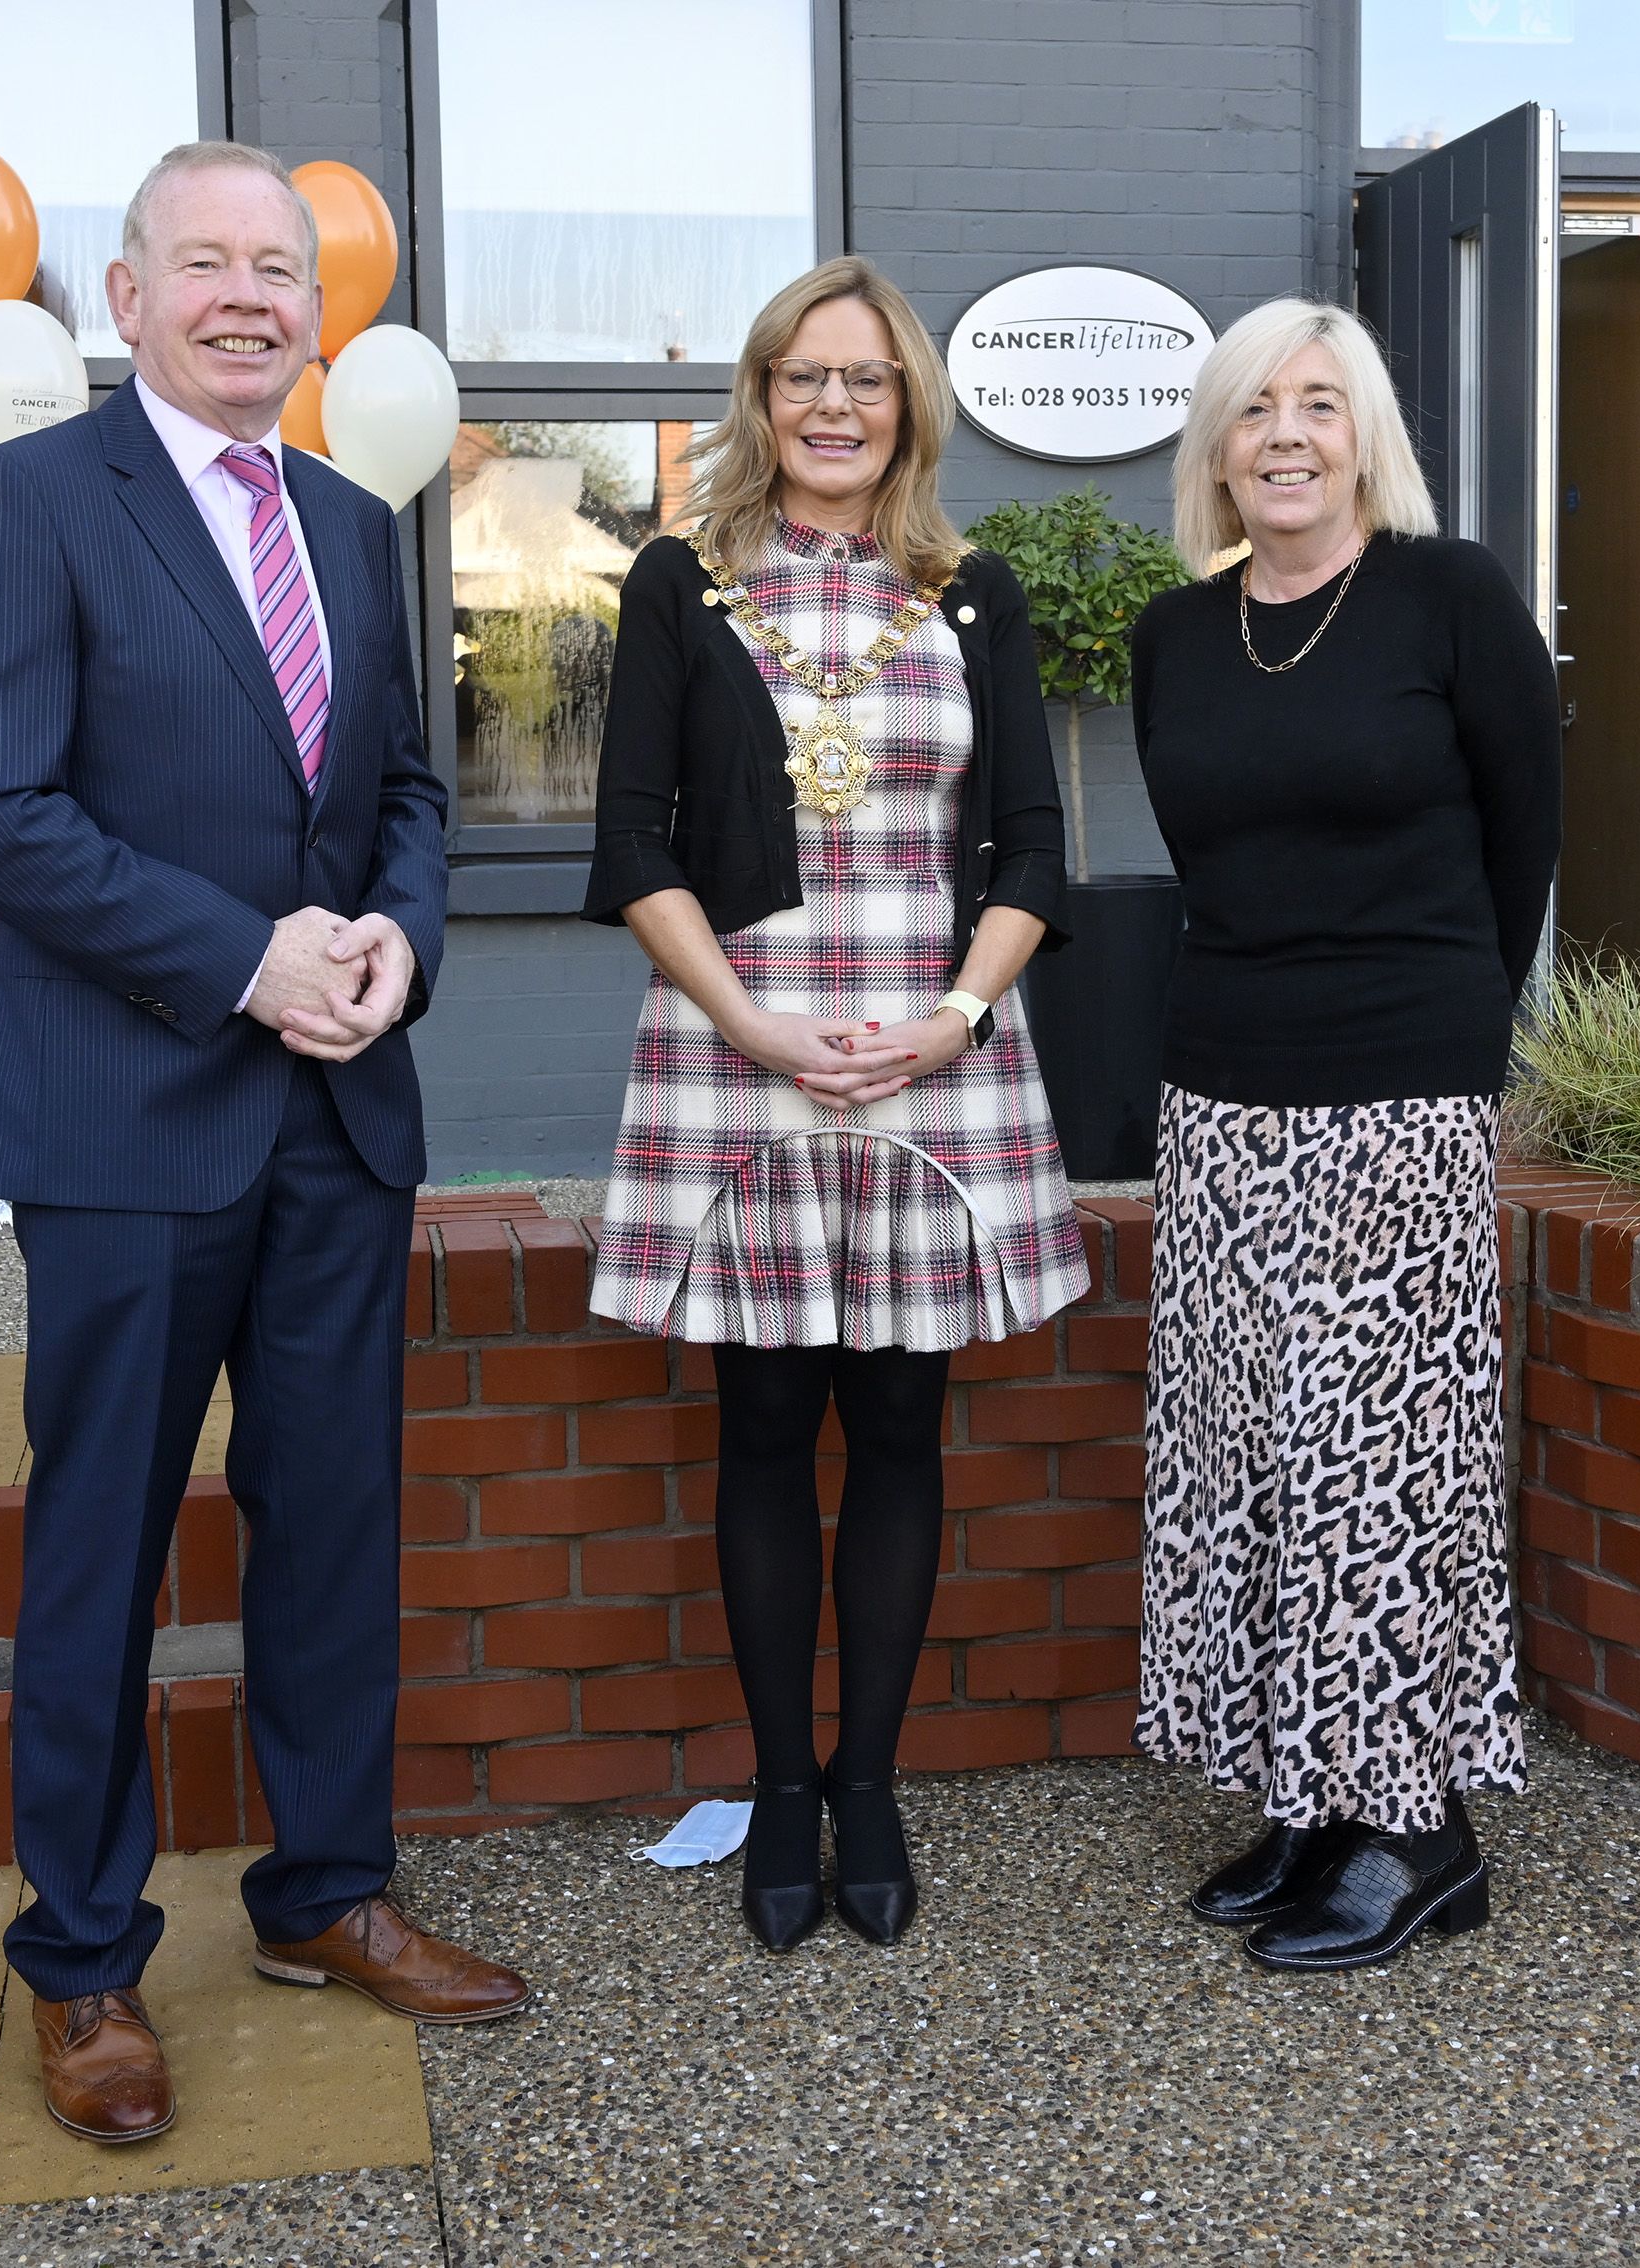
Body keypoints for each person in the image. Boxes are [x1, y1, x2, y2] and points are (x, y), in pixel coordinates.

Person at [0, 140, 528, 2147]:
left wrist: (392, 951)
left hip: (339, 1115)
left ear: (314, 306)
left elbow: (411, 790)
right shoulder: (26, 503)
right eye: (209, 264)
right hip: (126, 1120)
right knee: (101, 1546)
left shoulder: (352, 523)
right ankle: (84, 1963)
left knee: (334, 1525)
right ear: (128, 293)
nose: (250, 295)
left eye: (280, 267)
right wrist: (247, 957)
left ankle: (324, 1893)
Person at [582, 257, 1089, 1953]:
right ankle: (782, 1792)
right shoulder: (682, 585)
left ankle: (869, 1783)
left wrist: (953, 1018)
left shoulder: (970, 593)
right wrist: (755, 1027)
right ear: (759, 394)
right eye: (804, 376)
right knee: (760, 1428)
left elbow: (1031, 848)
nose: (833, 407)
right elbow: (635, 843)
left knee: (895, 1433)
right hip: (744, 1067)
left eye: (865, 380)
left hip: (937, 1068)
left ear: (908, 406)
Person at [1128, 298, 1561, 1974]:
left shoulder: (1452, 598)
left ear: (1365, 432)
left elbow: (1525, 844)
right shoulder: (1181, 633)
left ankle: (1421, 1831)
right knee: (1247, 1450)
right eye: (1254, 410)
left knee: (1379, 1460)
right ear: (1218, 447)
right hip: (1222, 1083)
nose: (1286, 435)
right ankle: (1313, 1795)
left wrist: (1456, 1049)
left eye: (1318, 404)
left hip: (1396, 1089)